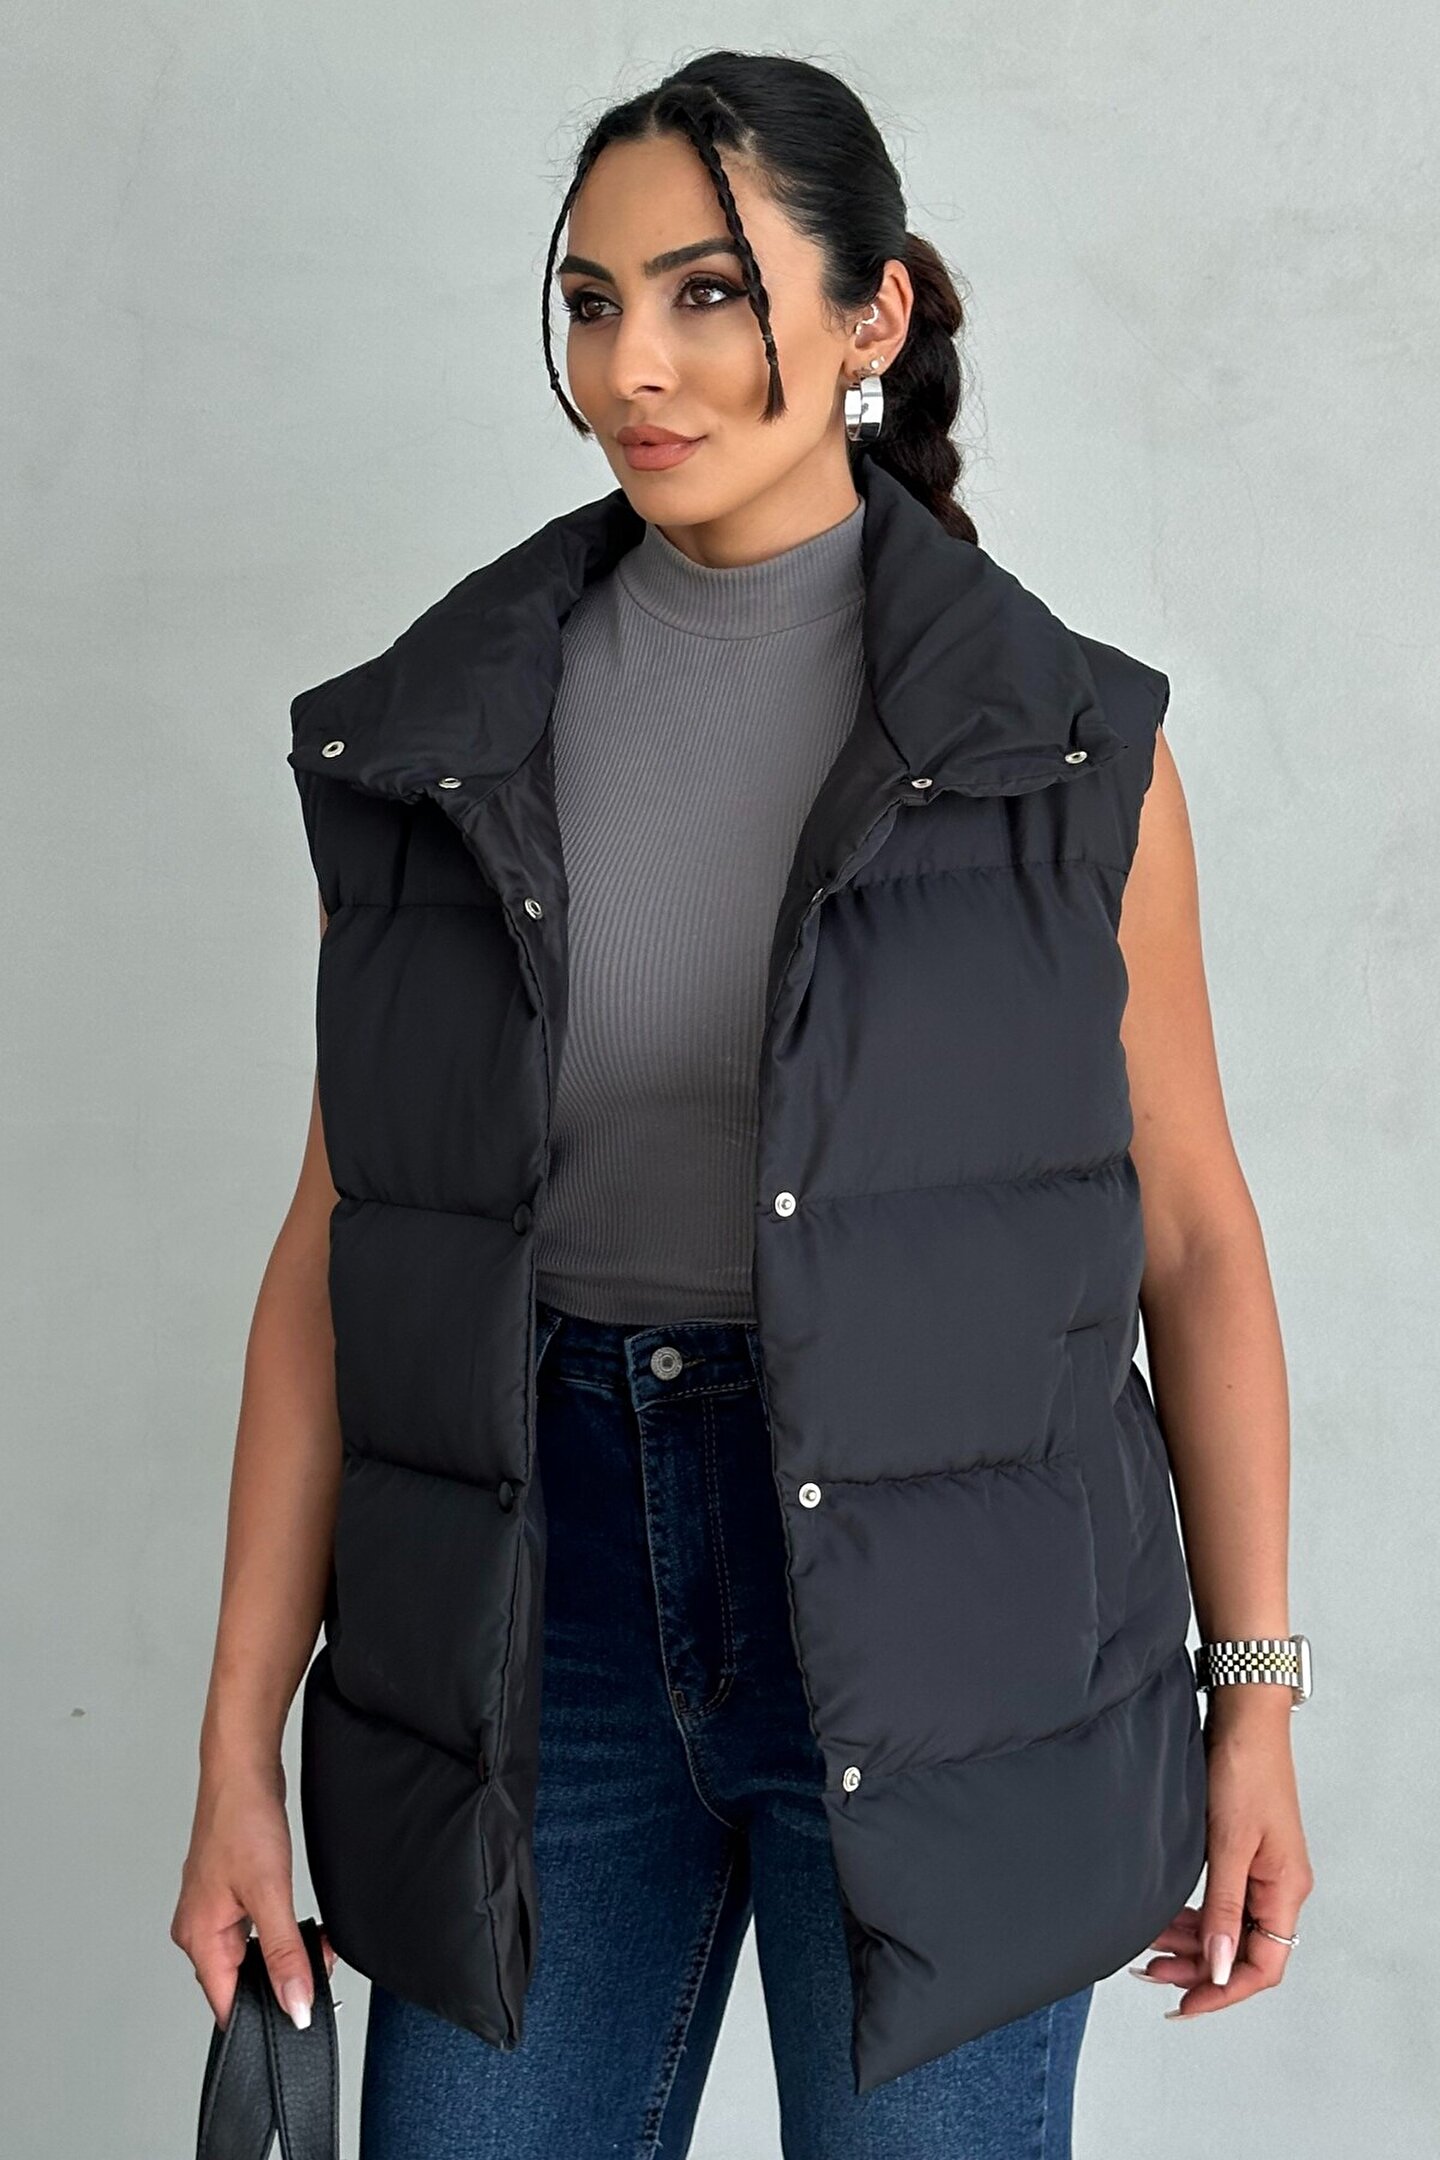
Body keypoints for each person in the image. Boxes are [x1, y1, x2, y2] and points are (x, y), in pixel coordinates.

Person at [172, 49, 1314, 2159]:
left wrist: (1254, 1706)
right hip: (538, 1630)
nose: (634, 365)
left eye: (707, 294)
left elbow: (1195, 1241)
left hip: (959, 1656)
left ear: (873, 317)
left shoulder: (1067, 756)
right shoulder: (438, 743)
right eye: (593, 302)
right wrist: (236, 1749)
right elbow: (342, 1253)